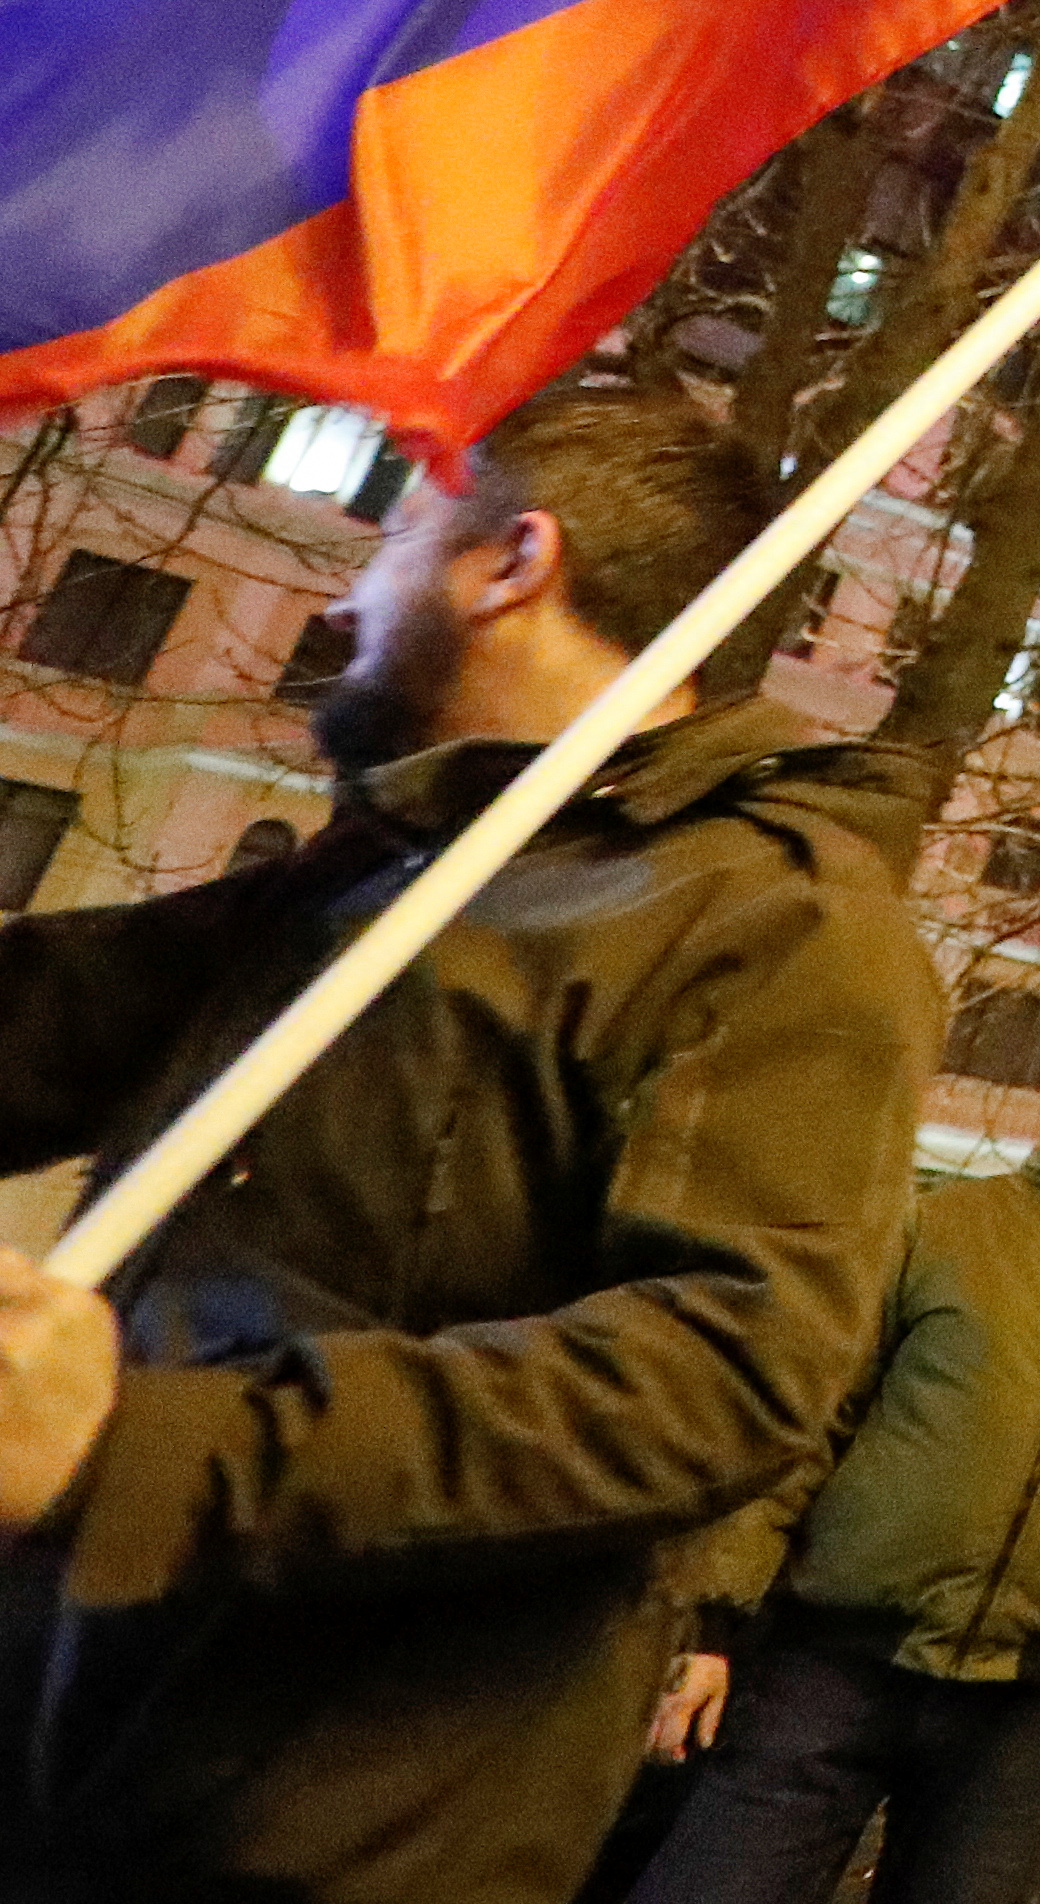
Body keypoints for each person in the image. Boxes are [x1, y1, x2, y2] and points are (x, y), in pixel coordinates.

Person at [0, 383, 942, 1904]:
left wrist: (128, 1443)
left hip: (340, 1833)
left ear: (512, 563)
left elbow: (718, 1379)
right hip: (74, 1743)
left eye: (390, 536)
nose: (340, 592)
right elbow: (48, 1022)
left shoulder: (782, 924)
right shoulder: (370, 883)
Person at [630, 1007, 1040, 1904]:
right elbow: (812, 1422)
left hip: (1031, 1706)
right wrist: (714, 1627)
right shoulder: (951, 1225)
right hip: (833, 1663)